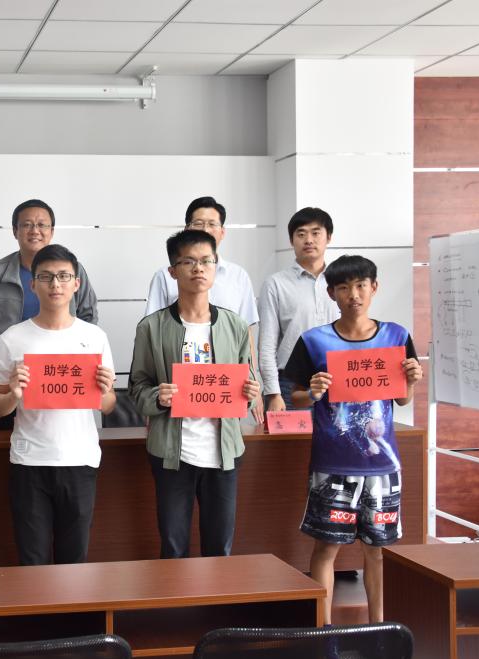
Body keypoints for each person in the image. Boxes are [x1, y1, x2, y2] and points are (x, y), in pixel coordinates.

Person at [283, 255, 422, 659]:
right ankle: (324, 636)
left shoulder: (396, 336)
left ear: (374, 287)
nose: (353, 294)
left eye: (361, 285)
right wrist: (313, 391)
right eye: (343, 287)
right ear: (331, 293)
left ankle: (378, 632)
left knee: (376, 551)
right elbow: (295, 397)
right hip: (333, 464)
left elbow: (401, 398)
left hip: (382, 466)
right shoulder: (314, 341)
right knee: (326, 549)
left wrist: (412, 382)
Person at [129, 230, 260, 559]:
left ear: (215, 267)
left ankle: (217, 596)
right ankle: (176, 596)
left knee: (220, 547)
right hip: (172, 452)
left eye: (206, 261)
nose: (198, 268)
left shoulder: (235, 325)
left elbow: (247, 381)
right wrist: (158, 397)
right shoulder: (151, 327)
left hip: (223, 451)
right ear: (172, 271)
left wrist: (251, 391)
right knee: (173, 547)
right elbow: (137, 386)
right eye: (188, 261)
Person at [0, 244, 116, 565]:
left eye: (63, 276)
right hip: (29, 462)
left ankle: (72, 603)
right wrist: (14, 394)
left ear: (76, 284)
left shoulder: (94, 337)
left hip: (80, 460)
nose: (55, 284)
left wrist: (104, 392)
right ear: (33, 284)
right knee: (32, 560)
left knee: (74, 561)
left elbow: (108, 405)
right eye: (46, 277)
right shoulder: (13, 338)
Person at [0, 199, 98, 430]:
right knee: (4, 444)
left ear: (52, 231)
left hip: (61, 377)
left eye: (42, 225)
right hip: (11, 380)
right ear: (15, 231)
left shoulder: (73, 270)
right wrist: (7, 353)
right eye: (27, 225)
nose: (35, 231)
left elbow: (88, 317)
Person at [144, 196, 263, 423]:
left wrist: (254, 383)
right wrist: (153, 401)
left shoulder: (238, 276)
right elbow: (151, 336)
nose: (206, 230)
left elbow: (246, 333)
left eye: (212, 224)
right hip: (176, 394)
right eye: (198, 223)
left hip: (224, 391)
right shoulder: (165, 276)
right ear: (187, 228)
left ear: (222, 232)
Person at [257, 208, 341, 412]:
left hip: (338, 380)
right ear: (291, 240)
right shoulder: (276, 284)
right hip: (290, 384)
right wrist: (273, 393)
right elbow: (267, 345)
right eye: (301, 234)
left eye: (316, 233)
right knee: (292, 436)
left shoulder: (342, 282)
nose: (308, 240)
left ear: (329, 237)